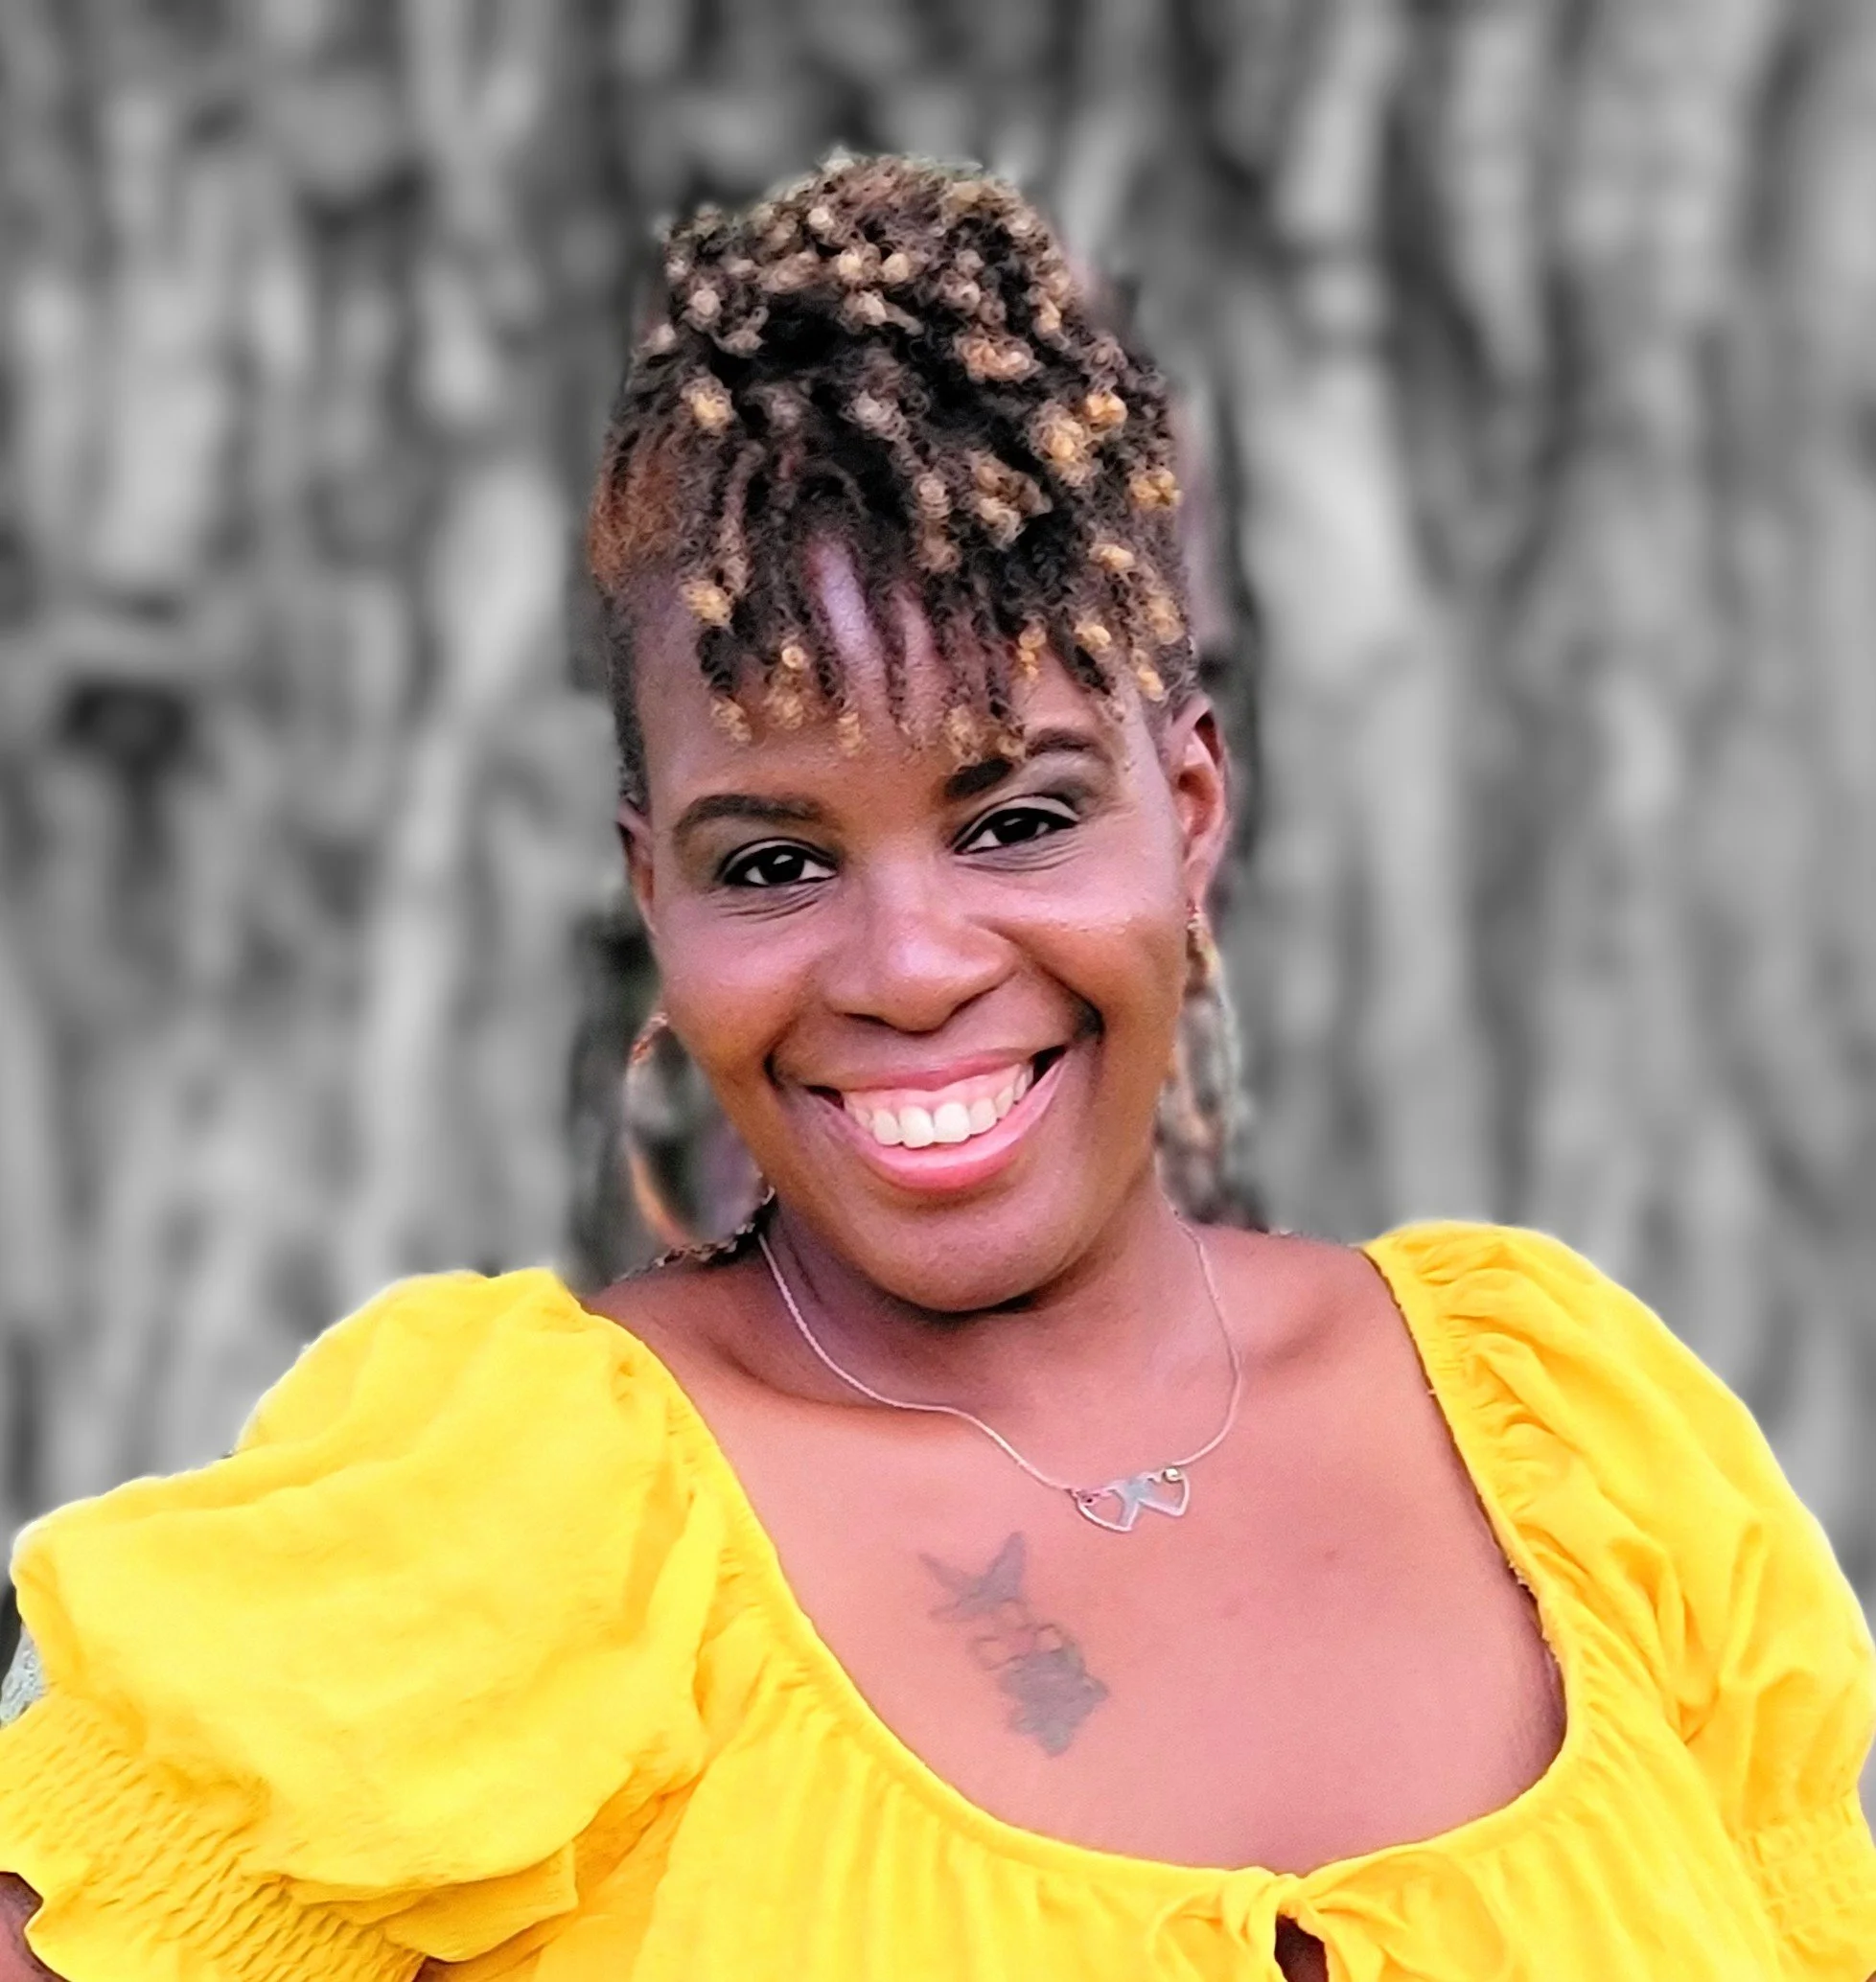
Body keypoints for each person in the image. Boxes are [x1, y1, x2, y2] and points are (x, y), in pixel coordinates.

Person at [1, 152, 1872, 1982]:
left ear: (1191, 806)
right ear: (657, 890)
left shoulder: (1578, 1446)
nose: (909, 965)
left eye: (1017, 818)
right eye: (776, 860)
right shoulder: (505, 1533)